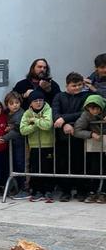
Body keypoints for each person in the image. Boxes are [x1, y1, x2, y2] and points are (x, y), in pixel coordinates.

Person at [51, 72, 91, 201]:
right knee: (63, 164)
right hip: (63, 136)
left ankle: (81, 191)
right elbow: (55, 113)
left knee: (80, 163)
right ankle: (65, 191)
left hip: (80, 135)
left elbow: (84, 113)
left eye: (80, 85)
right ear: (67, 85)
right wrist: (64, 124)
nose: (77, 88)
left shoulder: (86, 96)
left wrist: (65, 119)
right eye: (74, 85)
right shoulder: (59, 96)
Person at [20, 89, 55, 202]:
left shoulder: (48, 110)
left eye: (41, 100)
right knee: (34, 168)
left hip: (48, 144)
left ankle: (48, 191)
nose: (39, 103)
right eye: (35, 101)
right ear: (30, 103)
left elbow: (47, 125)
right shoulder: (27, 113)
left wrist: (34, 120)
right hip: (34, 145)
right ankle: (36, 191)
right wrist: (36, 124)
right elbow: (23, 130)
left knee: (47, 168)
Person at [72, 94, 106, 203]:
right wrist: (91, 134)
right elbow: (77, 130)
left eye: (97, 108)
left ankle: (104, 193)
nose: (94, 111)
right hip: (96, 144)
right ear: (87, 108)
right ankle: (92, 192)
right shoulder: (86, 115)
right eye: (92, 108)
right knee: (94, 168)